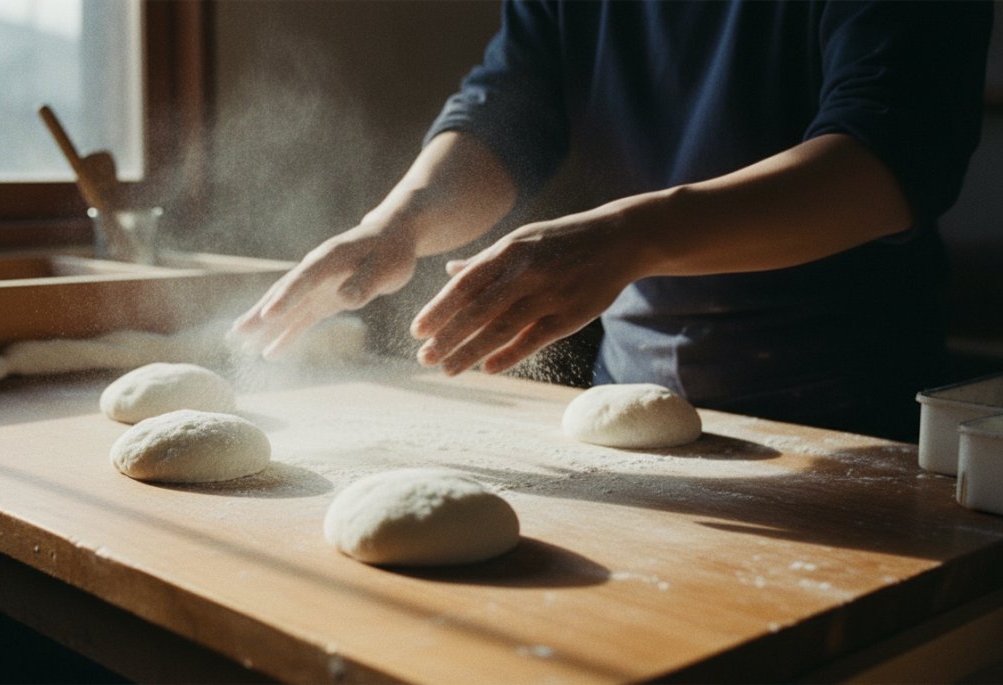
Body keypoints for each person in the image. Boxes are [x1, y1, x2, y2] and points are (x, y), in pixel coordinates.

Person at [232, 1, 993, 441]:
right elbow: (513, 106)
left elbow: (883, 160)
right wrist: (399, 221)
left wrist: (633, 236)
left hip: (847, 414)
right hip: (627, 399)